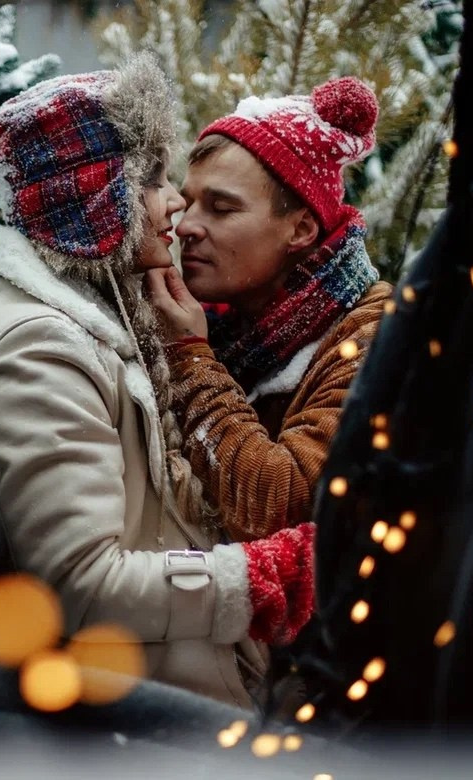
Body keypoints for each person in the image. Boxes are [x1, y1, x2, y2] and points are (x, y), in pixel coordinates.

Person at [0, 52, 315, 709]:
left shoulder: (104, 307)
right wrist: (253, 579)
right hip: (95, 703)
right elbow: (80, 585)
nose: (176, 206)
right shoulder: (42, 345)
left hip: (144, 668)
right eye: (155, 179)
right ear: (97, 200)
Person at [146, 76, 394, 543]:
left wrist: (190, 356)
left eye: (221, 208)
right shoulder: (230, 320)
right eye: (190, 201)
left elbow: (277, 504)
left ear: (300, 230)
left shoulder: (373, 337)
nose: (186, 227)